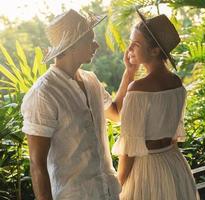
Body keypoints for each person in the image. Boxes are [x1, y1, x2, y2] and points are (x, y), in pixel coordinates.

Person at [21, 9, 138, 200]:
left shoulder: (91, 80)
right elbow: (37, 163)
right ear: (72, 45)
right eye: (89, 39)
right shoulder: (43, 93)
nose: (96, 45)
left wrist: (130, 72)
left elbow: (116, 113)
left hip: (108, 192)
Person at [112, 9, 200, 200]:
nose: (129, 51)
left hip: (146, 170)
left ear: (155, 50)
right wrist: (130, 72)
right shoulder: (177, 83)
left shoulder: (139, 89)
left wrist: (117, 186)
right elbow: (174, 136)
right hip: (173, 164)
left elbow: (129, 149)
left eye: (135, 45)